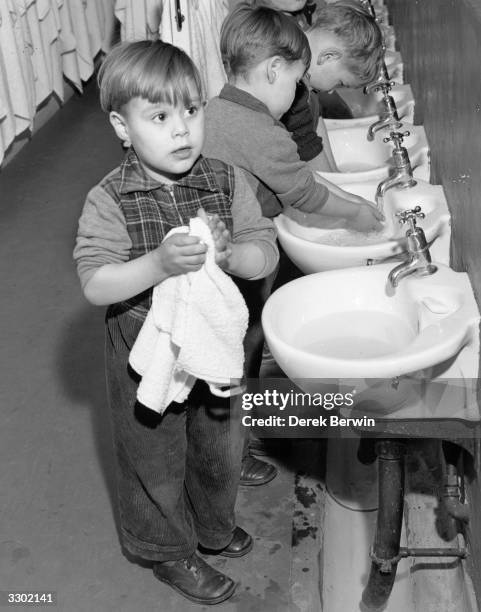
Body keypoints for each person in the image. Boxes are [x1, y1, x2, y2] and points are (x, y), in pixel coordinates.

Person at [73, 40, 279, 606]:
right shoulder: (110, 199)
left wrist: (236, 256)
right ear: (122, 125)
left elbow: (265, 250)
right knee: (155, 455)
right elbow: (95, 283)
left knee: (219, 440)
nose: (182, 129)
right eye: (159, 116)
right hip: (146, 349)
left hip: (213, 344)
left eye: (191, 110)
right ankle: (168, 550)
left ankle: (212, 527)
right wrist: (156, 264)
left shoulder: (226, 180)